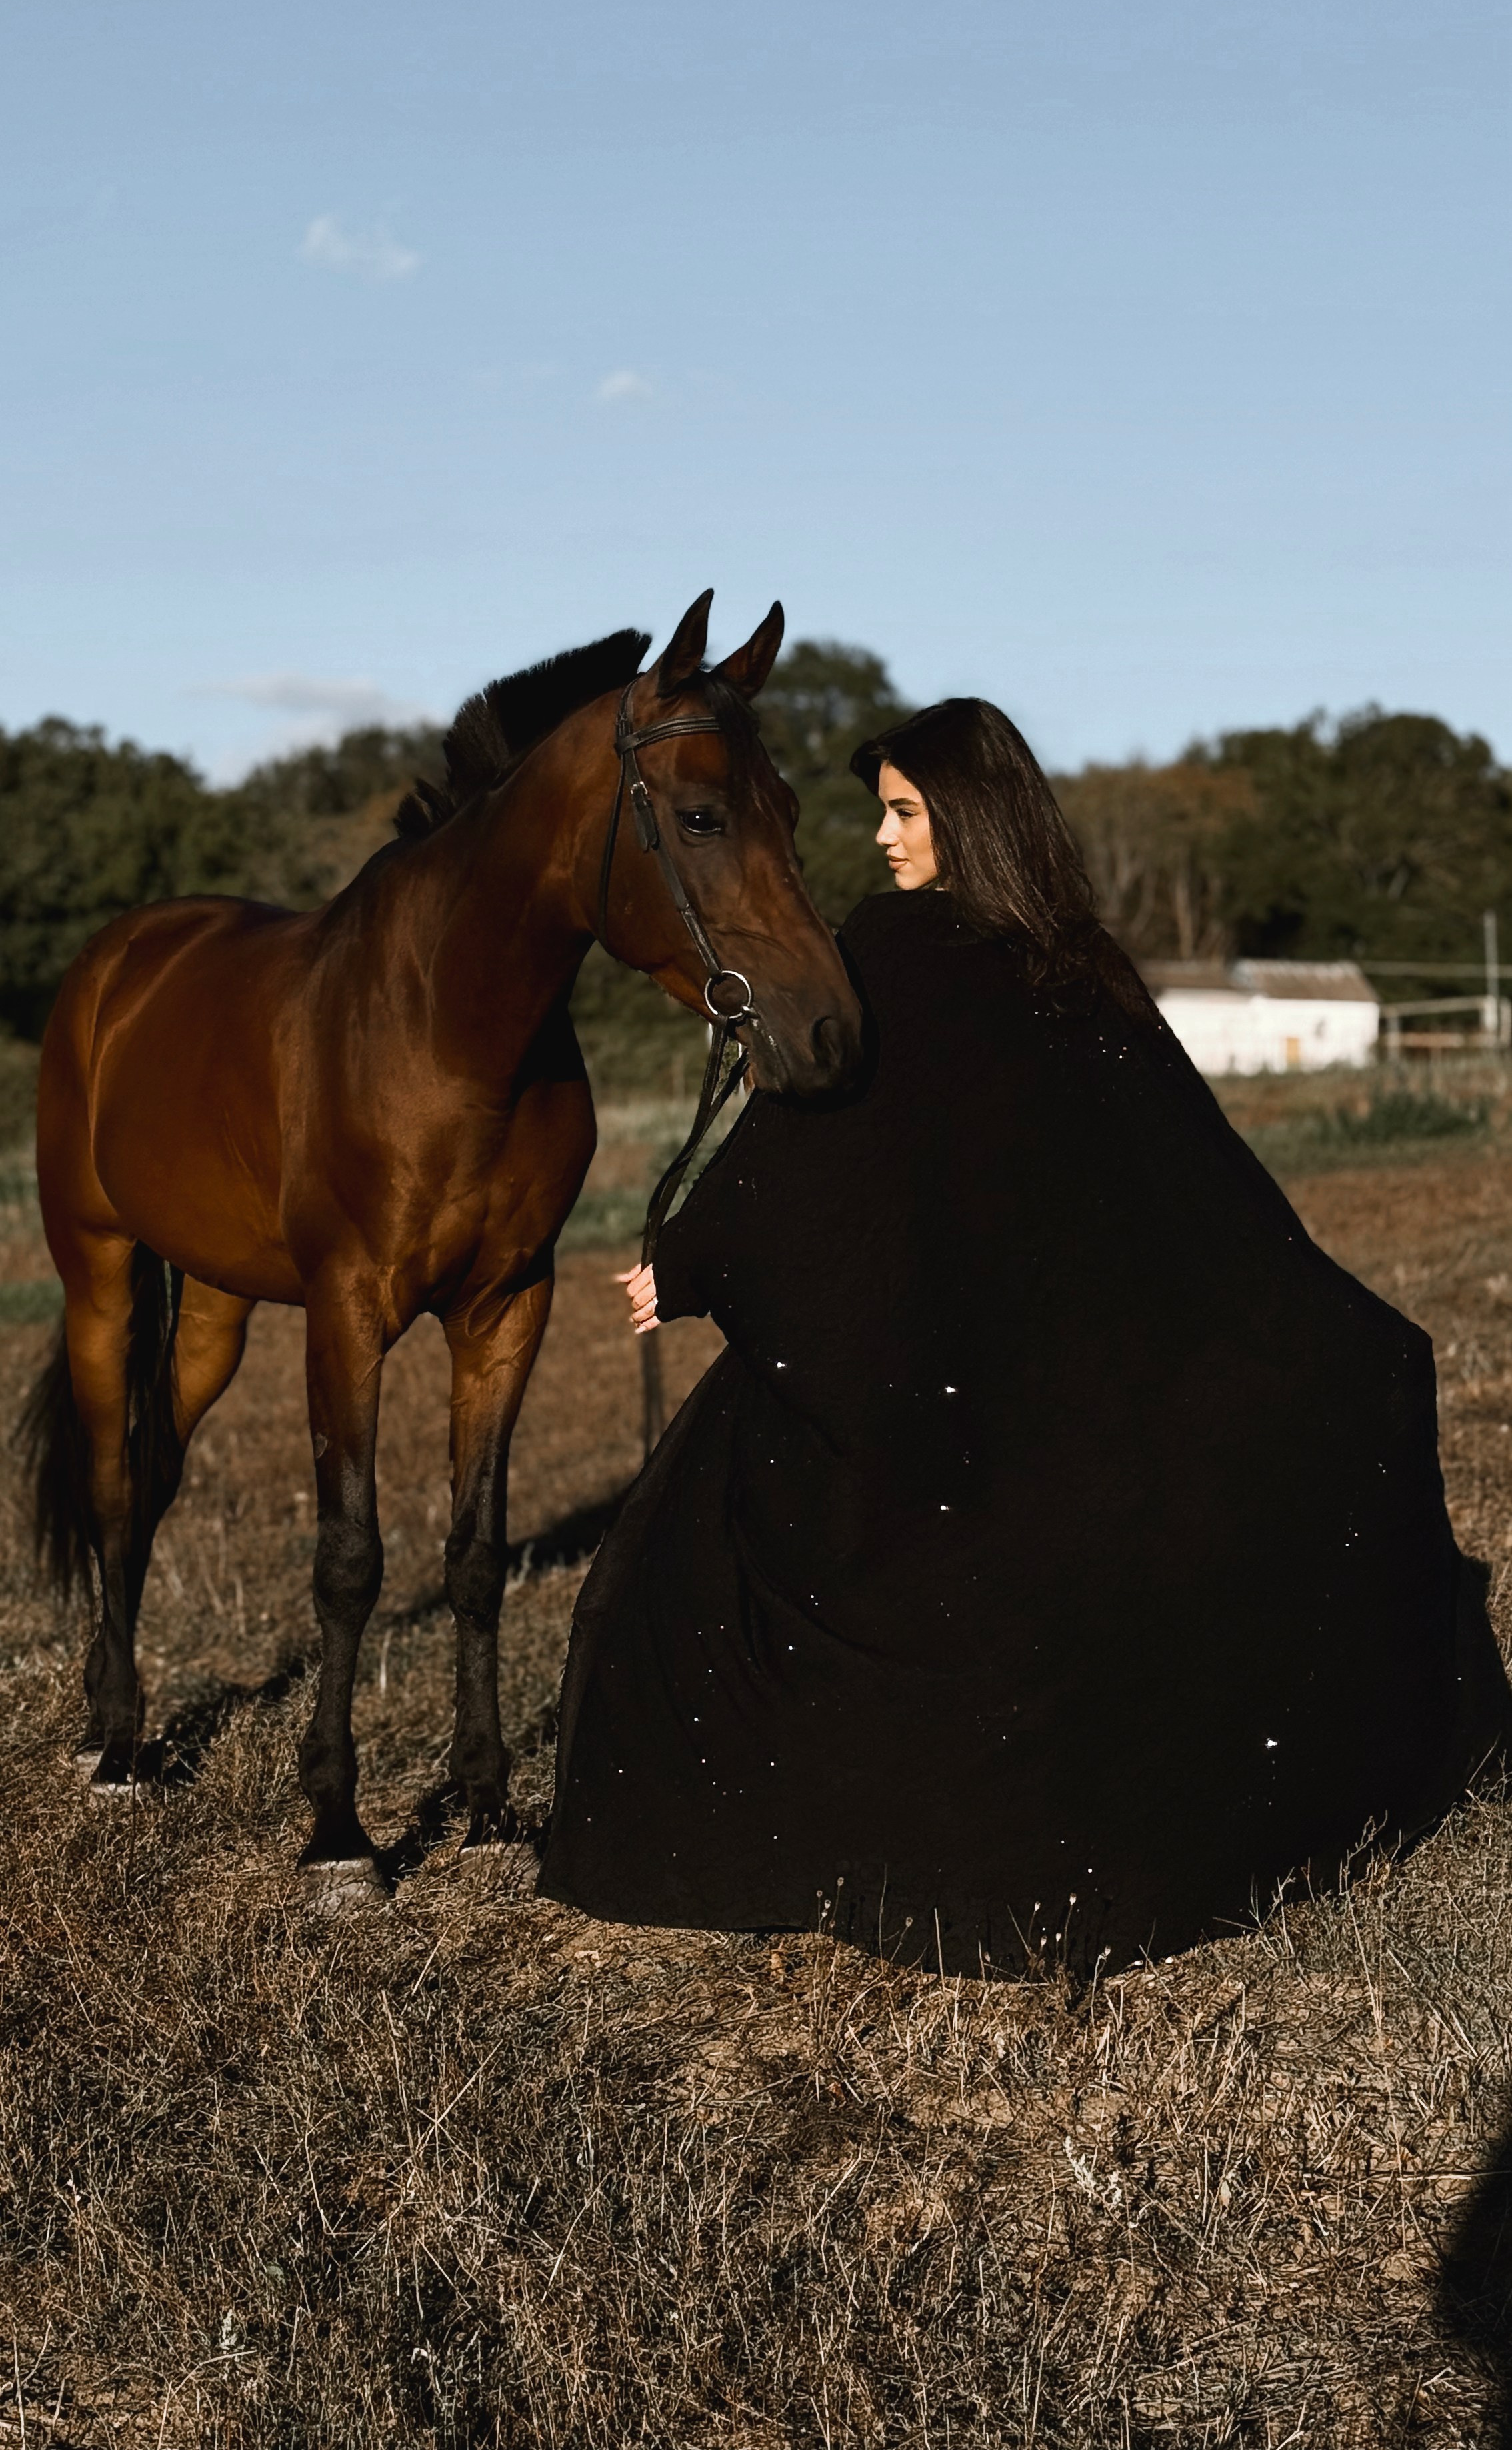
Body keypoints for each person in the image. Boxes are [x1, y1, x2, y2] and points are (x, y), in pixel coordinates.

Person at [538, 700, 1509, 1975]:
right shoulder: (1077, 957)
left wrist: (696, 1254)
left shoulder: (902, 949)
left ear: (970, 814)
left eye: (904, 811)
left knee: (728, 1513)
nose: (883, 839)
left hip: (983, 1377)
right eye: (882, 812)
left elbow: (819, 1150)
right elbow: (1186, 1179)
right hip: (1045, 1369)